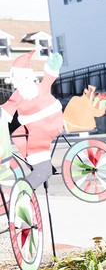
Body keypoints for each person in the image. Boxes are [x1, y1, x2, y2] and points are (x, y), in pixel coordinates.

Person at [0, 50, 64, 189]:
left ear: (28, 76)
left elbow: (49, 77)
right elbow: (5, 110)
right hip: (38, 129)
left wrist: (53, 66)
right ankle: (36, 164)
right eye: (16, 77)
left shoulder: (40, 88)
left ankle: (24, 190)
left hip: (48, 126)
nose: (18, 80)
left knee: (42, 168)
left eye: (20, 77)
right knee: (18, 134)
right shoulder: (17, 95)